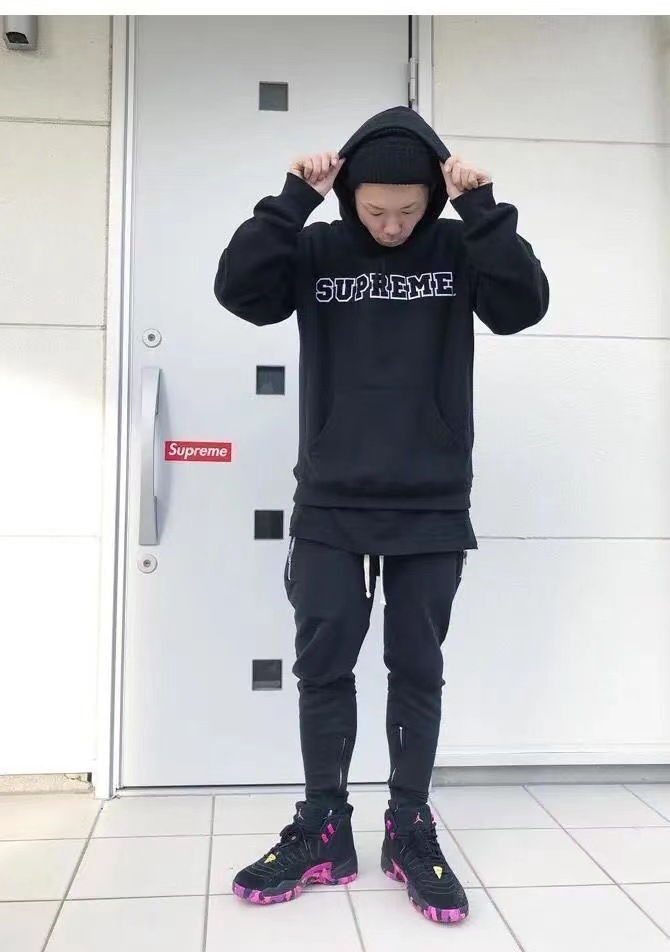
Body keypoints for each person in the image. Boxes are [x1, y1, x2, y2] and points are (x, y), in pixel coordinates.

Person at [214, 105, 548, 924]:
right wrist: (291, 202)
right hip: (331, 498)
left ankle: (409, 825)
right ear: (349, 198)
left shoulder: (459, 248)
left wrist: (482, 210)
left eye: (408, 210)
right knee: (324, 665)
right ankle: (323, 824)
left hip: (430, 499)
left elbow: (522, 307)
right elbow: (239, 291)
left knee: (416, 665)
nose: (392, 226)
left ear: (431, 198)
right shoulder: (317, 250)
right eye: (375, 211)